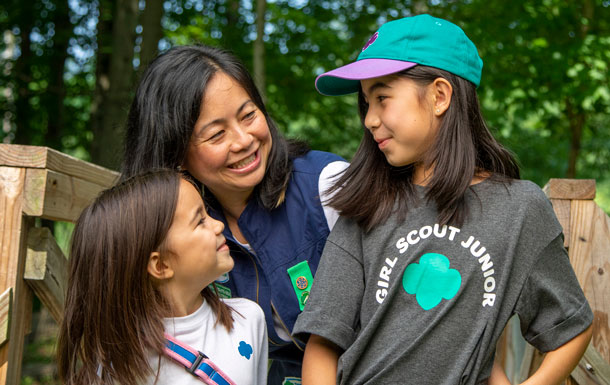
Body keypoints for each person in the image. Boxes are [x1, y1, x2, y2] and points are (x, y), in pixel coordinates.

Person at [292, 14, 594, 385]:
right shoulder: (367, 206)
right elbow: (323, 342)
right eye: (365, 103)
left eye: (382, 98)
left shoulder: (520, 210)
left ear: (439, 96)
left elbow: (572, 325)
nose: (369, 119)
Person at [120, 45, 348, 384]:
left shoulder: (327, 186)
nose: (244, 140)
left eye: (248, 115)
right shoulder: (177, 236)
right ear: (176, 154)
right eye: (216, 134)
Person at [57, 169, 268, 385]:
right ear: (160, 265)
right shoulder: (121, 367)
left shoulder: (248, 319)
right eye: (200, 221)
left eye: (207, 213)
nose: (218, 225)